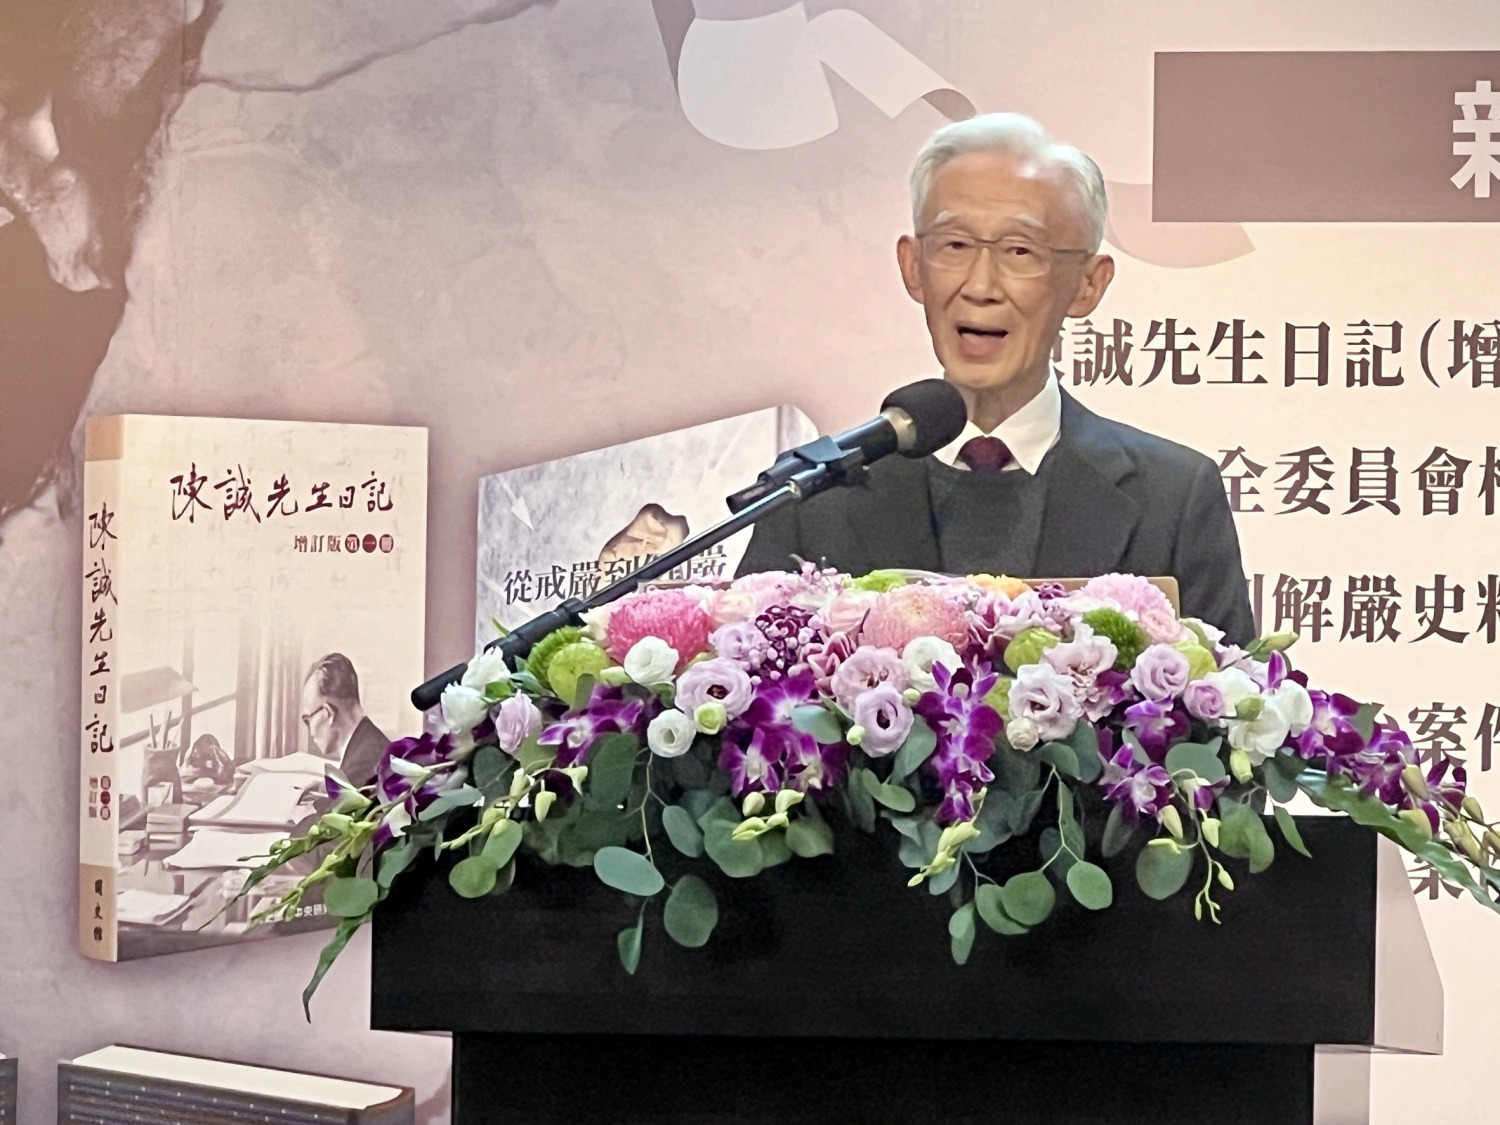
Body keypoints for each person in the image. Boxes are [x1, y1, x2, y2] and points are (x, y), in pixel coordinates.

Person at [736, 112, 1255, 643]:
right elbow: (748, 677)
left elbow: (1235, 689)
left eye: (1020, 251)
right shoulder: (815, 497)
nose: (980, 286)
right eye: (955, 246)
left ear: (1088, 285)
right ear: (913, 266)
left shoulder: (1172, 497)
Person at [300, 653, 389, 787]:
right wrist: (324, 788)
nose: (310, 731)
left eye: (308, 719)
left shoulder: (356, 774)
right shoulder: (371, 744)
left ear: (328, 714)